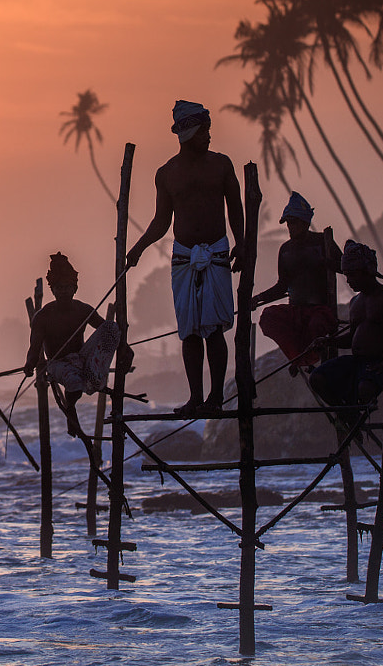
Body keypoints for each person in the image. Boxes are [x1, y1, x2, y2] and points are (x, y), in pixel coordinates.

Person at [125, 100, 246, 415]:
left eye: (208, 130)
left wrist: (242, 243)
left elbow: (235, 206)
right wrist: (138, 248)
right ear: (190, 133)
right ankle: (196, 398)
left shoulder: (221, 165)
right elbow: (161, 221)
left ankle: (215, 398)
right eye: (204, 130)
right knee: (190, 329)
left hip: (216, 252)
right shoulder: (167, 173)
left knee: (214, 328)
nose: (208, 136)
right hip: (183, 257)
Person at [23, 253, 125, 437]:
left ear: (75, 288)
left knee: (111, 327)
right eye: (59, 288)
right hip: (57, 363)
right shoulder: (43, 317)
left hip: (82, 357)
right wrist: (30, 364)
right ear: (52, 290)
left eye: (67, 287)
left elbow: (105, 331)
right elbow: (35, 348)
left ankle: (92, 378)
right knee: (75, 382)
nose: (63, 292)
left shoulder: (83, 310)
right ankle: (70, 407)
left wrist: (125, 347)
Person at [307, 240, 383, 407]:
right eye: (346, 274)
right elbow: (351, 338)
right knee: (317, 378)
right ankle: (347, 414)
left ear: (367, 272)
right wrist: (327, 341)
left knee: (365, 389)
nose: (348, 280)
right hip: (356, 362)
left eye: (352, 274)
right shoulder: (355, 302)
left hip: (378, 362)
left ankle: (355, 412)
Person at [249, 191, 342, 374]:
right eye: (289, 223)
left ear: (305, 223)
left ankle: (309, 358)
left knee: (317, 325)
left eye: (294, 223)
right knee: (269, 318)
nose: (291, 227)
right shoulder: (285, 250)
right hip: (296, 309)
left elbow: (346, 267)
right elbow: (282, 286)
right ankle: (299, 359)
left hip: (320, 309)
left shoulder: (323, 242)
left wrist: (329, 263)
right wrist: (258, 298)